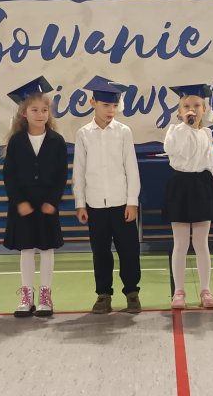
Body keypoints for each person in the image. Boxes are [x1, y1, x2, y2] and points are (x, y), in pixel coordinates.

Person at [73, 75, 142, 314]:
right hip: (95, 205)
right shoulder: (83, 133)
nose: (111, 110)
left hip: (121, 203)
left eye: (114, 105)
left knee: (129, 251)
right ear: (93, 103)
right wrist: (80, 203)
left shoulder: (124, 132)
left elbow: (131, 168)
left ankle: (132, 292)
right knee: (100, 252)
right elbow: (79, 170)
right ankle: (103, 294)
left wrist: (132, 202)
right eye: (106, 105)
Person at [3, 76, 68, 317]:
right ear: (24, 113)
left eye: (44, 110)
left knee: (47, 249)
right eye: (35, 110)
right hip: (24, 205)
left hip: (47, 204)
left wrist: (53, 201)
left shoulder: (57, 141)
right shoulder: (16, 142)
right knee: (27, 249)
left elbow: (61, 175)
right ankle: (26, 295)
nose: (40, 114)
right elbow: (9, 175)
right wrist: (19, 202)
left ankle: (45, 295)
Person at [163, 84, 213, 309]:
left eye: (196, 105)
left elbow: (209, 163)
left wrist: (212, 188)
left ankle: (206, 289)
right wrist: (187, 127)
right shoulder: (174, 131)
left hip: (202, 185)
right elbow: (176, 151)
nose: (191, 109)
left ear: (204, 109)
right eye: (186, 106)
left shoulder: (207, 134)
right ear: (180, 111)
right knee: (181, 242)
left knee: (201, 242)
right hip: (181, 185)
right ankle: (179, 291)